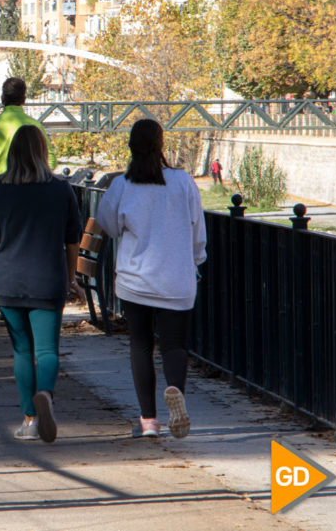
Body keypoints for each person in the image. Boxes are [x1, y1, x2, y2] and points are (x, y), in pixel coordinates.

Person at [0, 125, 82, 443]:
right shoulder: (61, 189)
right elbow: (73, 239)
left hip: (8, 280)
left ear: (12, 153)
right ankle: (46, 395)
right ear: (43, 152)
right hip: (48, 279)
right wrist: (72, 278)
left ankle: (29, 419)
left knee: (22, 351)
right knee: (47, 349)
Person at [95, 119, 207, 439]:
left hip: (136, 280)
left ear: (131, 147)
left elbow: (109, 225)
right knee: (174, 345)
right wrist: (196, 260)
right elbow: (197, 231)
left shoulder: (122, 185)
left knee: (141, 345)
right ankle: (175, 390)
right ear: (161, 146)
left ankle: (148, 422)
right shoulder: (183, 182)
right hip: (176, 279)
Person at [0, 77, 56, 190]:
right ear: (24, 99)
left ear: (3, 98)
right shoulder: (35, 126)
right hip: (28, 190)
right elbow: (50, 160)